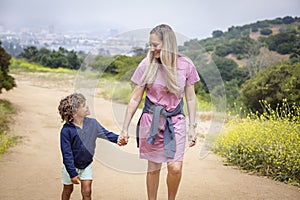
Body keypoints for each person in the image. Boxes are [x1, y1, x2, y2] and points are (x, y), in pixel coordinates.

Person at [121, 24, 200, 200]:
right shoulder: (146, 64)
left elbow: (191, 98)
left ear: (168, 44)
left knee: (175, 167)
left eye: (155, 45)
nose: (152, 49)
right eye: (150, 44)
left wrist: (192, 127)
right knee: (153, 169)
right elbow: (135, 98)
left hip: (176, 120)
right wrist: (124, 128)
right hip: (152, 121)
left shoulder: (186, 65)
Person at [58, 93, 126, 200]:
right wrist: (72, 173)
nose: (87, 107)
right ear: (75, 112)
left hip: (86, 165)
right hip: (70, 166)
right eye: (84, 105)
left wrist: (118, 139)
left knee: (87, 191)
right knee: (68, 190)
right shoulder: (66, 131)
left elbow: (106, 134)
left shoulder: (93, 124)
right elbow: (67, 154)